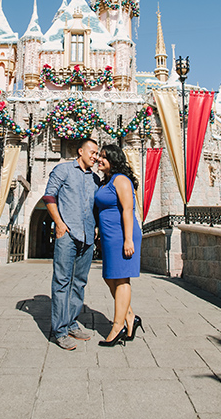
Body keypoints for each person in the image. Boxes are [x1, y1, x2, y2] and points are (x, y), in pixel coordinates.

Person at [43, 137, 101, 350]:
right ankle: (59, 330)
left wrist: (95, 228)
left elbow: (95, 208)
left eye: (97, 153)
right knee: (62, 282)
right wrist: (58, 223)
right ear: (81, 152)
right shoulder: (64, 170)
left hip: (87, 238)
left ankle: (71, 323)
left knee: (79, 282)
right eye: (92, 152)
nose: (95, 157)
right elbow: (49, 196)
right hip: (67, 234)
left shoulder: (95, 179)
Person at [94, 143, 143, 346]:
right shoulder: (106, 182)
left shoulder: (121, 180)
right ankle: (130, 316)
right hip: (109, 236)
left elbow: (127, 210)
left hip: (122, 235)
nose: (99, 160)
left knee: (122, 280)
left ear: (114, 160)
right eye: (99, 156)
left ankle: (117, 326)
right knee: (109, 277)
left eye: (103, 157)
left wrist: (128, 239)